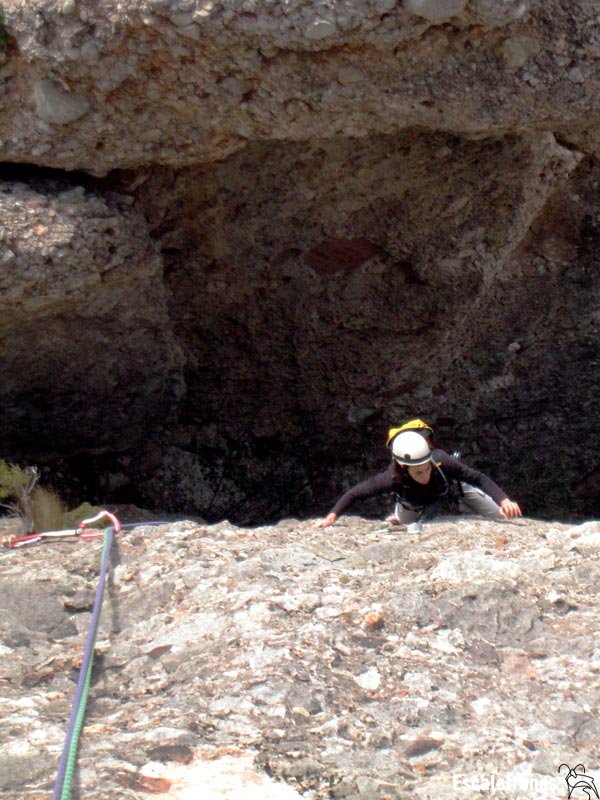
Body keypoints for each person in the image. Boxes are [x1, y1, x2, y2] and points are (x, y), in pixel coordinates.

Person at [314, 429, 522, 528]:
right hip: (413, 503)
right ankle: (399, 515)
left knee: (502, 518)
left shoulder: (441, 461)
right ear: (404, 468)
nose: (425, 475)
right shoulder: (392, 478)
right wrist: (333, 515)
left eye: (427, 469)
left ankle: (467, 508)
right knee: (407, 523)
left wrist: (504, 500)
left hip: (451, 491)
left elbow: (477, 477)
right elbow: (356, 493)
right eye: (418, 472)